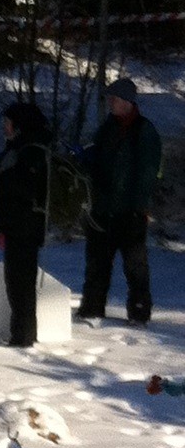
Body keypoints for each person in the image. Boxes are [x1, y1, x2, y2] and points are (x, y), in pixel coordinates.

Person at [79, 76, 163, 325]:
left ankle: (139, 313)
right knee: (97, 263)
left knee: (135, 266)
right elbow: (98, 159)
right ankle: (91, 310)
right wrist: (85, 157)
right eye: (109, 99)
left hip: (130, 211)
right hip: (103, 209)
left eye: (114, 99)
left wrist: (139, 207)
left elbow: (147, 172)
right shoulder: (107, 128)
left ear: (127, 102)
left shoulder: (143, 130)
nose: (110, 103)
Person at [0, 101, 54, 347]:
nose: (5, 127)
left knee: (21, 284)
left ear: (19, 125)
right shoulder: (21, 147)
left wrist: (8, 177)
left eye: (8, 123)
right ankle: (22, 334)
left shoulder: (30, 150)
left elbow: (24, 190)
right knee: (17, 282)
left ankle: (23, 337)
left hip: (24, 226)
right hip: (18, 226)